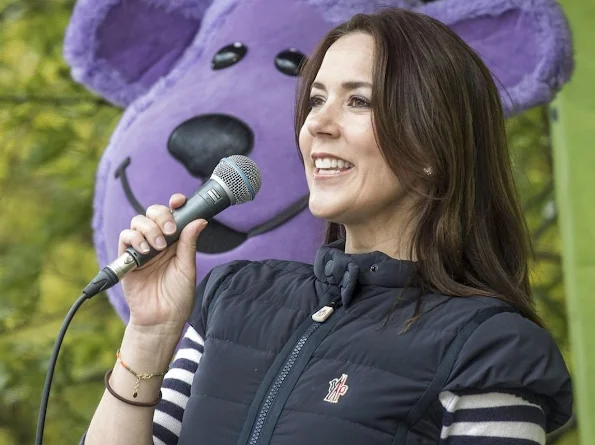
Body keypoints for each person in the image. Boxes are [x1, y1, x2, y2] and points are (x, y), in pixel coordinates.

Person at [81, 7, 572, 445]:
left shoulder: (491, 348)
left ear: (431, 146)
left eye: (357, 101)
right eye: (316, 100)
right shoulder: (231, 295)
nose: (318, 123)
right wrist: (149, 333)